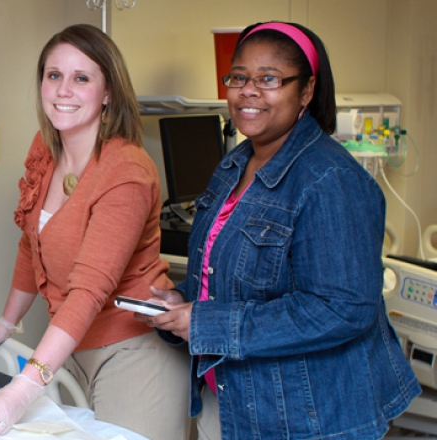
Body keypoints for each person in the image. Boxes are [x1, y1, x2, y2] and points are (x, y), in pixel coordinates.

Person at [140, 21, 421, 439]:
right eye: (238, 78)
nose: (248, 91)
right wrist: (182, 300)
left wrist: (207, 324)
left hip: (307, 417)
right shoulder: (233, 165)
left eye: (269, 79)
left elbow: (340, 309)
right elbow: (223, 273)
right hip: (235, 401)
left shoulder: (330, 181)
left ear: (305, 91)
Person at [0, 24, 189, 439]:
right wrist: (5, 322)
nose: (63, 90)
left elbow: (88, 289)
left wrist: (22, 390)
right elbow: (31, 244)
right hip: (72, 350)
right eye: (54, 76)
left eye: (81, 78)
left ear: (108, 93)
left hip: (133, 350)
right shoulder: (46, 151)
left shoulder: (125, 171)